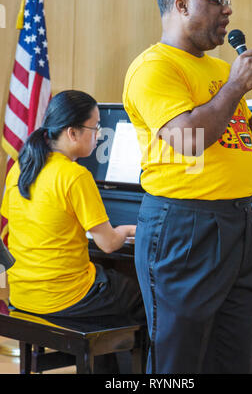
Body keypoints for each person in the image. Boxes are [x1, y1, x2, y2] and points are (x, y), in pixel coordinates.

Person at [123, 0, 252, 374]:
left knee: (238, 351)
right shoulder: (154, 68)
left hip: (238, 223)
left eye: (227, 1)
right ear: (181, 5)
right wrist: (234, 87)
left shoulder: (217, 69)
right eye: (216, 1)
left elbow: (243, 143)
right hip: (185, 224)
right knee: (182, 358)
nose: (227, 11)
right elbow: (189, 141)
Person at [0, 90, 144, 326]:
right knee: (143, 296)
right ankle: (131, 362)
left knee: (112, 283)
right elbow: (108, 244)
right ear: (72, 132)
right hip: (65, 296)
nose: (98, 136)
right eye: (95, 128)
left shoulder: (20, 167)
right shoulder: (75, 175)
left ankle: (99, 362)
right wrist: (128, 230)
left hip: (22, 293)